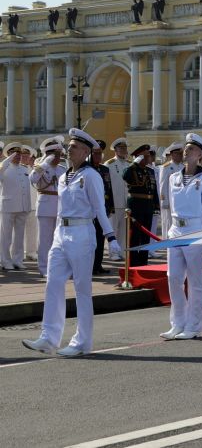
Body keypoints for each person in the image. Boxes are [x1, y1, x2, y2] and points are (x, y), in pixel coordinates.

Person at [22, 128, 120, 357]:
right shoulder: (64, 176)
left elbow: (99, 208)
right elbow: (44, 189)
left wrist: (111, 237)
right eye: (69, 146)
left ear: (85, 151)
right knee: (53, 283)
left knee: (82, 289)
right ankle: (48, 337)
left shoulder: (91, 176)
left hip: (81, 233)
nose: (68, 149)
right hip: (61, 233)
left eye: (74, 147)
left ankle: (82, 342)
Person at [160, 134, 202, 340]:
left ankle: (194, 325)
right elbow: (171, 208)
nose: (186, 151)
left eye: (191, 149)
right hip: (176, 230)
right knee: (173, 278)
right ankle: (178, 322)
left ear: (200, 155)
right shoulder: (173, 178)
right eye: (186, 147)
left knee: (195, 281)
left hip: (195, 231)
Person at [30, 138, 66, 277]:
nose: (57, 158)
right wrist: (45, 162)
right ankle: (44, 268)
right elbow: (33, 179)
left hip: (60, 208)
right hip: (45, 208)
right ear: (48, 154)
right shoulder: (41, 167)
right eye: (55, 155)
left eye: (59, 155)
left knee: (59, 240)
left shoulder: (62, 169)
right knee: (45, 240)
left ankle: (57, 267)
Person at [123, 145, 157, 266]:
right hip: (136, 205)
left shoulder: (150, 171)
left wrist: (156, 205)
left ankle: (143, 262)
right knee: (135, 236)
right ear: (139, 157)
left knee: (145, 236)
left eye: (149, 155)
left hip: (148, 206)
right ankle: (133, 263)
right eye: (145, 156)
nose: (148, 158)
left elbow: (153, 189)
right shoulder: (131, 169)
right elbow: (125, 176)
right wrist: (134, 164)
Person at [1, 142, 33, 270]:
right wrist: (8, 159)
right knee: (6, 236)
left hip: (22, 206)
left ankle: (17, 260)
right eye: (15, 154)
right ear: (9, 155)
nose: (18, 156)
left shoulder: (24, 169)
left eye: (19, 154)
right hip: (8, 207)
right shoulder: (4, 168)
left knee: (19, 236)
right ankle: (5, 261)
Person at [90, 140, 115, 275]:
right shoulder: (87, 169)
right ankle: (90, 265)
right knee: (91, 239)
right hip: (91, 210)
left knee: (100, 238)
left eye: (100, 153)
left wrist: (111, 206)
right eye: (95, 153)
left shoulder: (105, 169)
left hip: (103, 208)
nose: (98, 156)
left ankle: (98, 264)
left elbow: (109, 189)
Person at [104, 138, 131, 260]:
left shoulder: (129, 164)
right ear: (115, 150)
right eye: (121, 148)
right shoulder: (109, 164)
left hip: (126, 202)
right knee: (113, 229)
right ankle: (113, 252)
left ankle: (122, 251)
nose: (124, 150)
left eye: (125, 148)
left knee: (124, 230)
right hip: (114, 201)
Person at [158, 143, 184, 236]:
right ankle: (167, 241)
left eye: (181, 154)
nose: (180, 156)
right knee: (168, 223)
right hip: (169, 201)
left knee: (179, 225)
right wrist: (164, 202)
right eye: (177, 153)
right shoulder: (166, 167)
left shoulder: (183, 167)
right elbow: (162, 185)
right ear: (172, 154)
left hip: (180, 201)